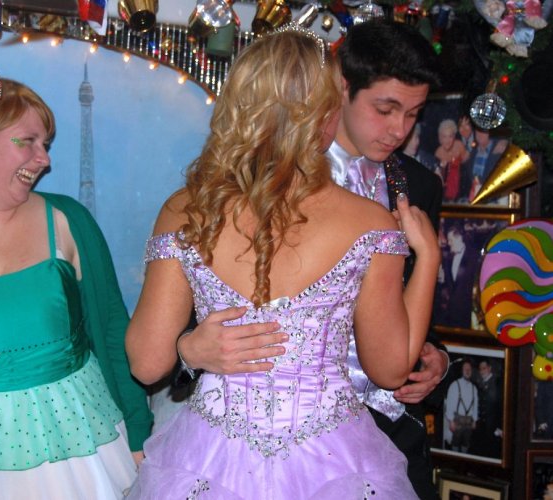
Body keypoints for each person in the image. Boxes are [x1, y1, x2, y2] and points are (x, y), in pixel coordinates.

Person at [125, 26, 440, 499]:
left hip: (210, 457)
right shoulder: (369, 223)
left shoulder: (184, 209)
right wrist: (429, 256)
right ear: (324, 114)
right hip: (333, 459)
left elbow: (148, 364)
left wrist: (189, 349)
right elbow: (391, 371)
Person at [0, 78, 153, 499]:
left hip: (82, 450)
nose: (44, 159)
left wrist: (138, 434)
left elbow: (113, 330)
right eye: (28, 142)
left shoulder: (68, 220)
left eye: (47, 144)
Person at [436, 224, 477, 329]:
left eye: (451, 240)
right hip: (451, 313)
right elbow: (447, 283)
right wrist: (441, 279)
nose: (448, 243)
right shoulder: (448, 259)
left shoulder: (473, 258)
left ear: (459, 238)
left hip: (467, 313)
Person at [462, 128, 508, 202]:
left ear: (490, 132)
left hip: (494, 201)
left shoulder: (499, 148)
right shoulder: (472, 152)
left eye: (483, 131)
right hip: (473, 200)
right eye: (478, 130)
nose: (480, 134)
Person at [469, 359, 502, 457]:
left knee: (492, 452)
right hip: (481, 426)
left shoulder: (497, 383)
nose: (482, 371)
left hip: (493, 426)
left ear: (489, 368)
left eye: (484, 368)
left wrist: (500, 427)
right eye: (480, 369)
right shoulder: (479, 384)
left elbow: (501, 406)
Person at [443, 360, 478, 453]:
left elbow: (475, 405)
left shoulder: (474, 388)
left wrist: (474, 420)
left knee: (466, 444)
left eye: (469, 369)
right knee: (455, 444)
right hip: (457, 420)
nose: (467, 371)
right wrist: (451, 421)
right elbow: (449, 405)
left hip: (469, 421)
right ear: (462, 371)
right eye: (465, 369)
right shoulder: (454, 385)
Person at [433, 119, 469, 202]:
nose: (447, 140)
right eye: (444, 137)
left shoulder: (459, 146)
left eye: (450, 136)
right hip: (446, 193)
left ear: (454, 137)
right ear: (440, 138)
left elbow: (468, 167)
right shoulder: (438, 153)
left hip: (461, 190)